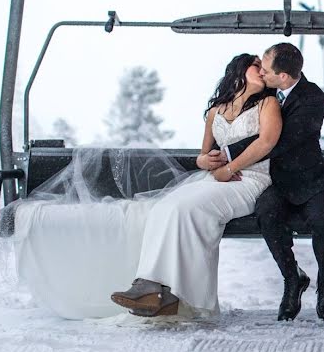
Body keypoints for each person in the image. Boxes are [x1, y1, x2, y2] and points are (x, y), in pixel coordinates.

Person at [111, 53, 280, 317]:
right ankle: (152, 287)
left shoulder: (268, 103)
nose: (262, 70)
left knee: (187, 208)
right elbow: (203, 156)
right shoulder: (216, 111)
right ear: (239, 70)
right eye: (256, 65)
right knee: (165, 206)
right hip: (217, 178)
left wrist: (229, 168)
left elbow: (268, 142)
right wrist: (206, 161)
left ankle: (180, 296)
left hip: (250, 179)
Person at [201, 43, 324, 321]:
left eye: (265, 70)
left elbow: (279, 140)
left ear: (284, 77)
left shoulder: (313, 99)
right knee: (267, 213)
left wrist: (229, 158)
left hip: (310, 179)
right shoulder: (265, 92)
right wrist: (208, 157)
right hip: (275, 181)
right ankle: (292, 278)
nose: (261, 73)